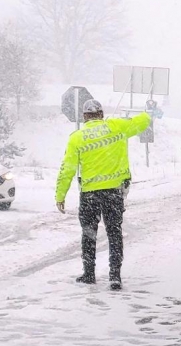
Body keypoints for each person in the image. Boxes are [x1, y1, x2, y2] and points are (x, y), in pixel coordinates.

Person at [55, 99, 154, 291]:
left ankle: (89, 273)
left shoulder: (77, 137)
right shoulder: (117, 126)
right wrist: (148, 112)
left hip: (89, 194)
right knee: (114, 233)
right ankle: (115, 276)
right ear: (101, 113)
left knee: (89, 234)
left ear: (85, 117)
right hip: (113, 192)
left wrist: (60, 195)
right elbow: (141, 123)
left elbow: (67, 169)